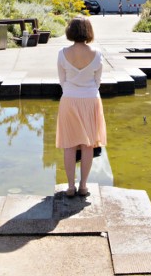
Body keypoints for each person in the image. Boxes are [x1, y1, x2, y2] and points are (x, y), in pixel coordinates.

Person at [56, 15, 107, 197]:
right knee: (88, 145)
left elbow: (62, 80)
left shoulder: (62, 53)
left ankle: (70, 187)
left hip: (69, 99)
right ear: (88, 31)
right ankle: (83, 186)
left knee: (69, 145)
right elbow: (98, 81)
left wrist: (72, 90)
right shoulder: (97, 54)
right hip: (91, 99)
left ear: (70, 31)